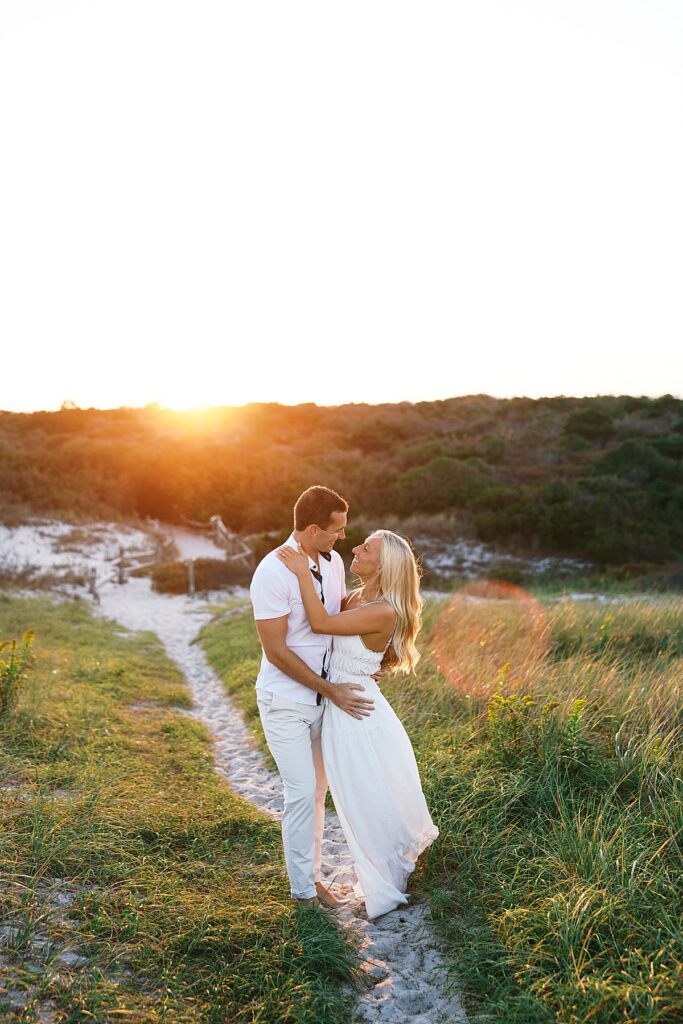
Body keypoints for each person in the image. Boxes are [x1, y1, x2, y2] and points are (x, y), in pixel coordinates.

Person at [276, 528, 439, 920]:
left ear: (384, 565)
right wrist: (371, 667)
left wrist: (301, 573)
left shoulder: (383, 608)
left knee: (366, 800)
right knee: (357, 798)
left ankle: (387, 880)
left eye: (367, 548)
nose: (356, 549)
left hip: (359, 717)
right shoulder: (355, 597)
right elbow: (354, 647)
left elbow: (320, 624)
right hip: (346, 709)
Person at [249, 485, 377, 909]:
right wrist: (331, 690)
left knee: (318, 792)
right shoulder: (272, 571)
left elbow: (334, 618)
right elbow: (276, 651)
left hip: (326, 700)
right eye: (336, 530)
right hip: (285, 699)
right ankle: (303, 893)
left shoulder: (334, 561)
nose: (343, 537)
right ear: (312, 529)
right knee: (302, 792)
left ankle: (314, 879)